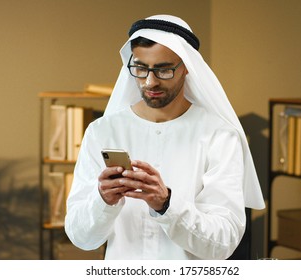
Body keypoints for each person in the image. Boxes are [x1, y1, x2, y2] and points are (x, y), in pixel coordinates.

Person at [65, 14, 265, 260]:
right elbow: (81, 238)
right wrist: (103, 200)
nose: (150, 81)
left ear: (187, 67)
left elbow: (223, 244)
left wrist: (167, 204)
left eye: (164, 70)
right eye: (140, 68)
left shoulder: (220, 136)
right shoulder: (102, 132)